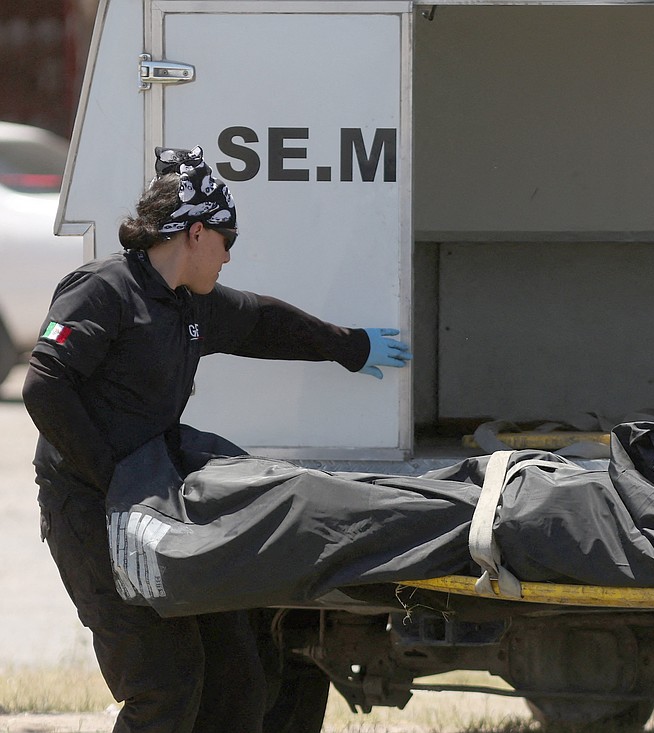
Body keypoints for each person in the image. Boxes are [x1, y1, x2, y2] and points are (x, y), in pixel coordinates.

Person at [22, 145, 411, 732]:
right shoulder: (105, 291)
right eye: (228, 241)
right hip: (89, 513)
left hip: (151, 509)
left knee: (239, 678)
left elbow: (263, 321)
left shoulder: (187, 304)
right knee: (165, 687)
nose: (230, 257)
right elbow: (44, 385)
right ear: (196, 232)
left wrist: (350, 347)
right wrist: (114, 481)